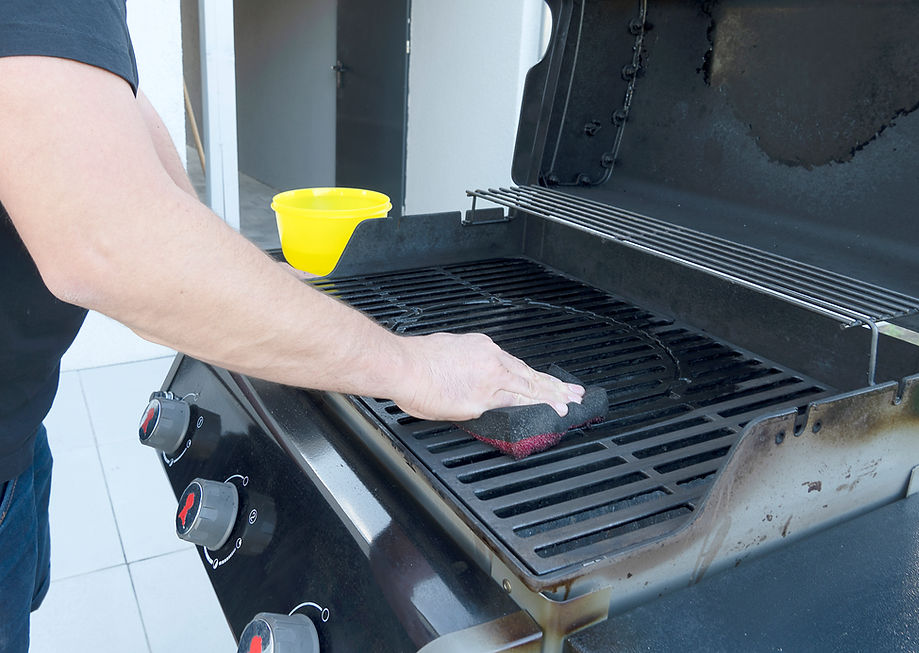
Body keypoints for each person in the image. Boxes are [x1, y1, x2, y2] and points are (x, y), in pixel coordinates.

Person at [0, 2, 584, 650]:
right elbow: (110, 240)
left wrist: (263, 287)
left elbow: (123, 125)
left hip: (17, 429)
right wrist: (412, 366)